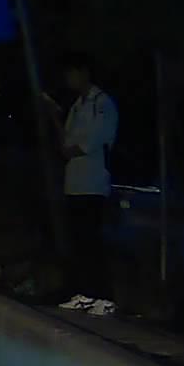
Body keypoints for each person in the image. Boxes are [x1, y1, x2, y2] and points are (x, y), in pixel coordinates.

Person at [43, 52, 119, 316]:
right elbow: (65, 141)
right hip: (75, 182)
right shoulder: (77, 105)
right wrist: (55, 117)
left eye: (71, 73)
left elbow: (89, 142)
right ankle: (83, 293)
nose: (68, 79)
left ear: (84, 73)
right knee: (79, 240)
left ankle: (102, 296)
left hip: (93, 182)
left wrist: (70, 149)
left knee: (91, 240)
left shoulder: (102, 104)